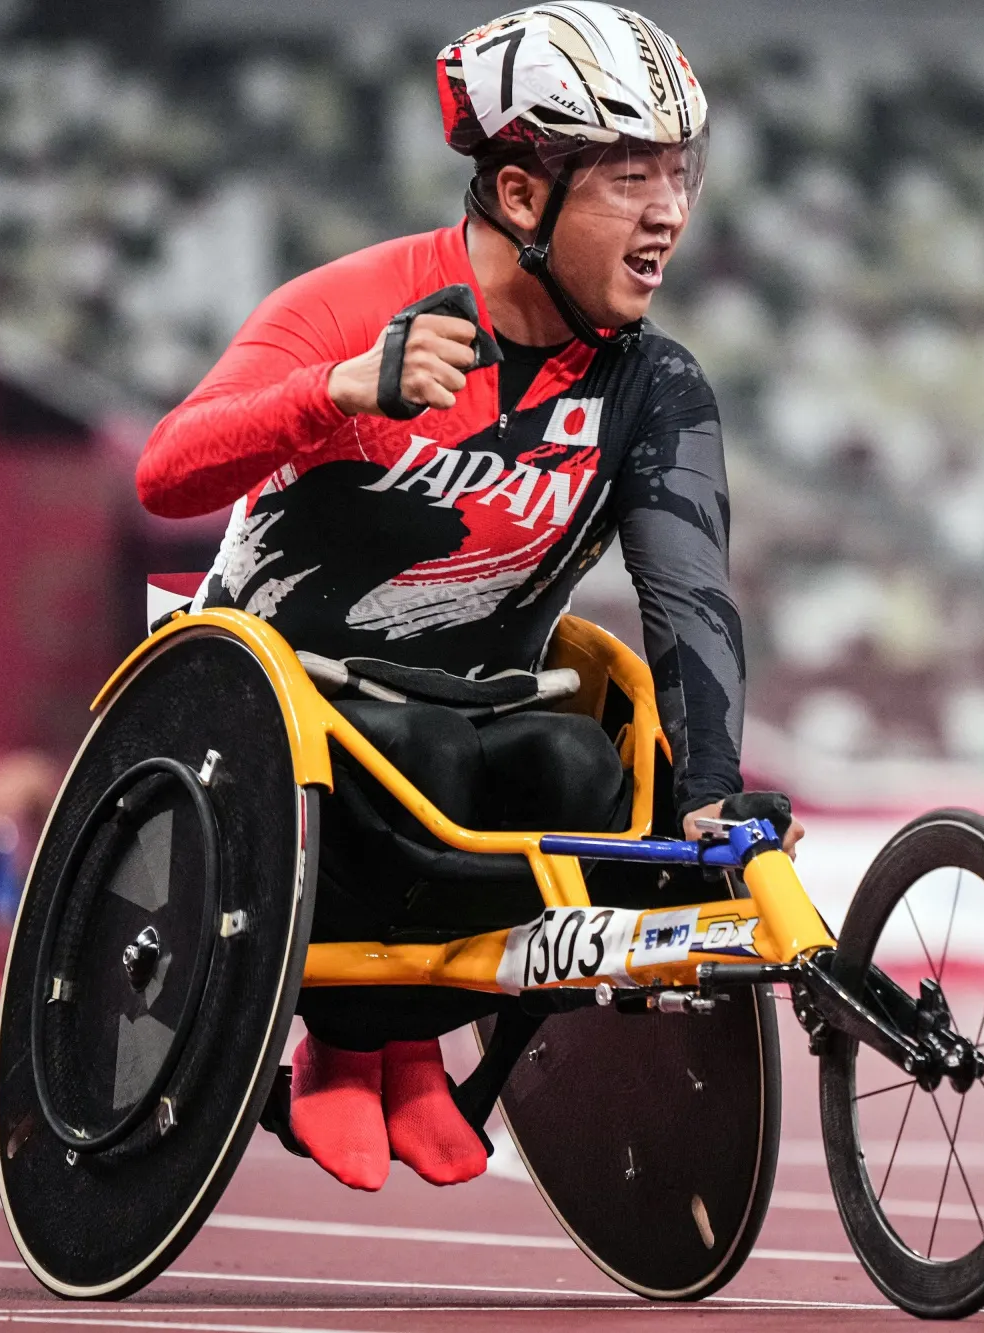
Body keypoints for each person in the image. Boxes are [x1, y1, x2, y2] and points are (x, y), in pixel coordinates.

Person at [136, 3, 798, 1194]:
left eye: (678, 174)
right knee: (410, 749)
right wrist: (335, 394)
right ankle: (345, 1045)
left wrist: (705, 799)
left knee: (580, 774)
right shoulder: (354, 301)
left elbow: (688, 595)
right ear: (519, 189)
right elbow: (167, 469)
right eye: (630, 176)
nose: (670, 214)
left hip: (473, 705)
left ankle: (405, 1042)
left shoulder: (655, 388)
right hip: (277, 716)